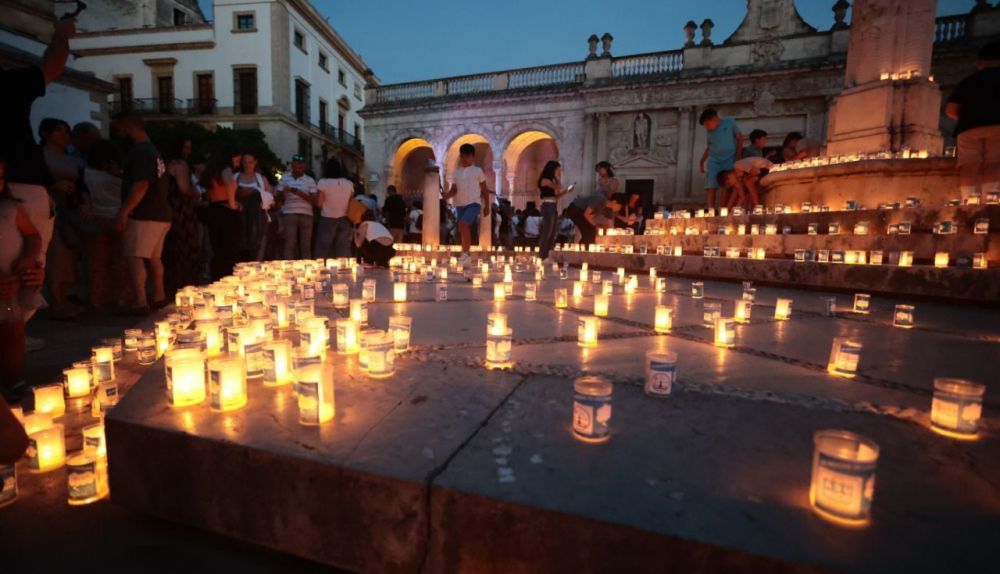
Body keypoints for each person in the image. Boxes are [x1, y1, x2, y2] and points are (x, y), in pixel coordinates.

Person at [113, 112, 173, 314]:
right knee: (154, 257)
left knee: (135, 255)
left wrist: (124, 211)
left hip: (144, 213)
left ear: (127, 126)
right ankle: (159, 295)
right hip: (161, 213)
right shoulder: (154, 151)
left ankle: (140, 301)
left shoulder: (141, 152)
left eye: (118, 128)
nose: (117, 133)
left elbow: (141, 184)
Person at [0, 157, 44, 403]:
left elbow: (32, 236)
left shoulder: (10, 209)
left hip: (12, 281)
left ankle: (13, 378)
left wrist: (28, 258)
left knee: (14, 330)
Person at [40, 117, 85, 319]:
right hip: (51, 210)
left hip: (70, 209)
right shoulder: (41, 156)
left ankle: (66, 297)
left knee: (69, 255)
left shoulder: (71, 158)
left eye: (67, 131)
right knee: (56, 256)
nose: (64, 135)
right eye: (59, 131)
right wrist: (53, 186)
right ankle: (57, 301)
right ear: (46, 134)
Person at [946, 40, 1000, 202]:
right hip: (998, 126)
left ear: (980, 62)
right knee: (994, 163)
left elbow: (950, 109)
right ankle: (990, 200)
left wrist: (968, 117)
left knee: (968, 166)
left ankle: (969, 201)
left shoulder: (968, 81)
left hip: (968, 128)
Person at [81, 139, 128, 309]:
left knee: (97, 262)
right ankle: (122, 296)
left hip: (96, 218)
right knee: (121, 261)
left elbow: (84, 194)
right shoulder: (122, 176)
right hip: (119, 217)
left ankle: (98, 298)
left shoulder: (86, 174)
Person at [161, 139, 201, 297]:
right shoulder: (180, 164)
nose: (188, 151)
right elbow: (184, 188)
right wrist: (196, 194)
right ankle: (186, 287)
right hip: (182, 212)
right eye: (186, 148)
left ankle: (170, 287)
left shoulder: (163, 164)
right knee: (185, 249)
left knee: (171, 250)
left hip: (167, 209)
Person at [443, 143, 491, 264]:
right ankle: (464, 254)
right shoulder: (457, 172)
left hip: (473, 203)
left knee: (463, 224)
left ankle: (466, 254)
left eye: (467, 156)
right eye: (463, 156)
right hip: (460, 204)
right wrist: (446, 196)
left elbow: (484, 189)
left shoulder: (477, 171)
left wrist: (487, 206)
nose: (464, 159)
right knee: (462, 228)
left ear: (472, 157)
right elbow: (454, 190)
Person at [200, 151, 241, 281]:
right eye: (237, 160)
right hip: (225, 212)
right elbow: (230, 185)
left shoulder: (211, 171)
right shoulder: (226, 169)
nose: (237, 164)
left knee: (217, 250)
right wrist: (233, 206)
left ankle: (216, 279)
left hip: (213, 210)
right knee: (229, 250)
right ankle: (226, 279)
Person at [699, 108, 744, 211]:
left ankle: (722, 210)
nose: (707, 127)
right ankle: (711, 211)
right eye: (705, 125)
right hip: (714, 160)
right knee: (711, 185)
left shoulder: (730, 122)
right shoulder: (709, 131)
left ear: (714, 118)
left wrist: (738, 156)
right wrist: (702, 161)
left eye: (708, 124)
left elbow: (740, 139)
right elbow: (709, 146)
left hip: (729, 158)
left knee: (726, 184)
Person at [276, 154, 317, 260]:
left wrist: (298, 193)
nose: (299, 166)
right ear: (292, 165)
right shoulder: (285, 178)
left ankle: (307, 267)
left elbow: (314, 200)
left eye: (301, 164)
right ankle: (288, 266)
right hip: (289, 213)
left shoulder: (310, 180)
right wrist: (284, 193)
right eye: (296, 164)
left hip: (306, 215)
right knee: (289, 244)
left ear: (304, 166)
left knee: (306, 246)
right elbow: (277, 198)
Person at [314, 157, 354, 258]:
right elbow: (351, 202)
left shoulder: (323, 183)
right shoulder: (349, 184)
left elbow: (319, 203)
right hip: (345, 218)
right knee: (343, 247)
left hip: (327, 217)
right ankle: (343, 266)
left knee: (323, 247)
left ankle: (322, 266)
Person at [235, 152, 269, 262]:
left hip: (257, 217)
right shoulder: (236, 177)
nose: (247, 165)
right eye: (245, 162)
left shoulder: (261, 179)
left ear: (255, 163)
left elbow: (270, 195)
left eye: (250, 162)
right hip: (240, 216)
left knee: (256, 245)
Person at [538, 160, 569, 260]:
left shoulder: (550, 180)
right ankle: (543, 256)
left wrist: (566, 192)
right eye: (557, 170)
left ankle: (549, 255)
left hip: (552, 204)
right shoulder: (545, 180)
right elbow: (559, 187)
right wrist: (556, 177)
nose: (558, 172)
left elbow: (555, 196)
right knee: (547, 232)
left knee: (552, 232)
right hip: (548, 206)